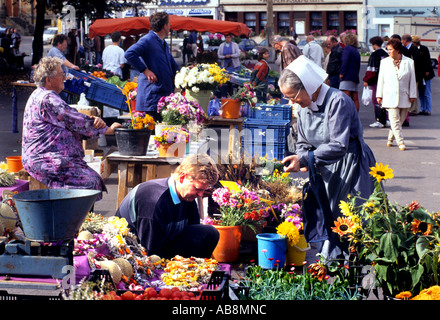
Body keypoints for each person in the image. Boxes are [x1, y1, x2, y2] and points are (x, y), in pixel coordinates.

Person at [280, 55, 376, 261]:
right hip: (325, 167)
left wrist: (305, 160)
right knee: (328, 215)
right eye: (287, 97)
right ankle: (333, 264)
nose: (292, 102)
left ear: (309, 86)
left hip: (351, 165)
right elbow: (303, 141)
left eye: (293, 96)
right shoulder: (303, 108)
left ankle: (353, 271)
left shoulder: (337, 101)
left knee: (352, 218)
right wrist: (302, 156)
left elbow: (338, 145)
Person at [21, 57, 122, 201]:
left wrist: (93, 122)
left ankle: (75, 219)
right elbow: (72, 119)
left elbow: (69, 118)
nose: (65, 77)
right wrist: (106, 129)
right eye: (61, 74)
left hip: (45, 156)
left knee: (91, 178)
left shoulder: (39, 94)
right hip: (45, 159)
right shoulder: (48, 98)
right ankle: (74, 221)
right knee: (91, 182)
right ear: (48, 80)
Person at [115, 153, 220, 258]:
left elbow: (195, 232)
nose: (200, 195)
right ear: (182, 177)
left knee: (210, 234)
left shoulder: (187, 197)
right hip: (133, 249)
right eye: (198, 188)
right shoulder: (154, 201)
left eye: (203, 190)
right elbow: (150, 252)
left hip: (163, 241)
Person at [124, 12, 179, 121]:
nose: (170, 25)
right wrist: (145, 70)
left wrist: (185, 74)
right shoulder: (147, 40)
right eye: (169, 23)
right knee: (153, 134)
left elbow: (173, 64)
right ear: (164, 26)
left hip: (163, 96)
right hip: (152, 97)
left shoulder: (163, 43)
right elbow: (129, 54)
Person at [376, 38, 417, 151]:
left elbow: (412, 80)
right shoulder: (384, 62)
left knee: (400, 121)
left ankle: (390, 139)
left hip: (405, 96)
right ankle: (401, 142)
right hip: (389, 96)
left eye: (390, 49)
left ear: (398, 50)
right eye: (387, 49)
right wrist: (379, 95)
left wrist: (413, 94)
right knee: (395, 120)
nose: (388, 52)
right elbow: (381, 79)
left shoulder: (409, 62)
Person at [363, 36, 389, 128]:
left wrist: (366, 80)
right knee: (384, 100)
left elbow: (371, 70)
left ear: (374, 44)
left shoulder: (374, 55)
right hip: (385, 80)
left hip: (376, 81)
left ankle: (379, 120)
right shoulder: (385, 54)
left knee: (376, 100)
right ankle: (386, 119)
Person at [412, 35, 434, 116]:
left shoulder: (424, 49)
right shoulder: (414, 50)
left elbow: (427, 60)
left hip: (426, 74)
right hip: (419, 75)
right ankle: (422, 109)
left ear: (415, 42)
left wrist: (427, 71)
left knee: (426, 92)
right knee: (420, 93)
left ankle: (428, 109)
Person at [339, 32, 361, 111]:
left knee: (345, 98)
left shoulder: (347, 49)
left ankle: (346, 116)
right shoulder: (356, 50)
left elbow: (345, 61)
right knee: (355, 98)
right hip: (354, 76)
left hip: (347, 76)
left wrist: (342, 73)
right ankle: (355, 116)